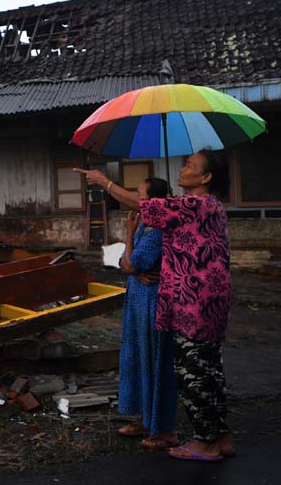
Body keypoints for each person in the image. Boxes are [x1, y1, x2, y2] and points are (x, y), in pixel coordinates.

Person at [74, 151, 233, 461]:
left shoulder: (194, 204)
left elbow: (144, 208)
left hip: (192, 304)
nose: (183, 168)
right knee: (211, 373)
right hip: (208, 301)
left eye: (190, 165)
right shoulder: (209, 206)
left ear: (206, 177)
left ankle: (205, 444)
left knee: (194, 376)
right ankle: (221, 438)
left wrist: (104, 182)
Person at [116, 178, 177, 450]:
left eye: (140, 195)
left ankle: (161, 427)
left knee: (154, 360)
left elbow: (133, 263)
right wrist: (129, 262)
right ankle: (144, 419)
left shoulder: (158, 230)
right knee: (139, 358)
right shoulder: (146, 224)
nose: (137, 201)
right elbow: (123, 262)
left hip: (153, 302)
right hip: (137, 300)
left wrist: (128, 235)